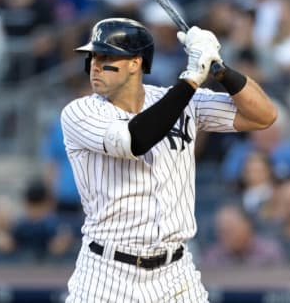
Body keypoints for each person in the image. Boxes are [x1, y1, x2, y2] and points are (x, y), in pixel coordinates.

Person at [61, 17, 277, 302]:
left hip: (175, 274)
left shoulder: (178, 100)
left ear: (135, 63)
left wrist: (219, 69)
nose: (94, 66)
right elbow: (135, 139)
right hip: (106, 272)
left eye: (105, 57)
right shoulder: (80, 112)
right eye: (92, 57)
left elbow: (264, 116)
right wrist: (192, 77)